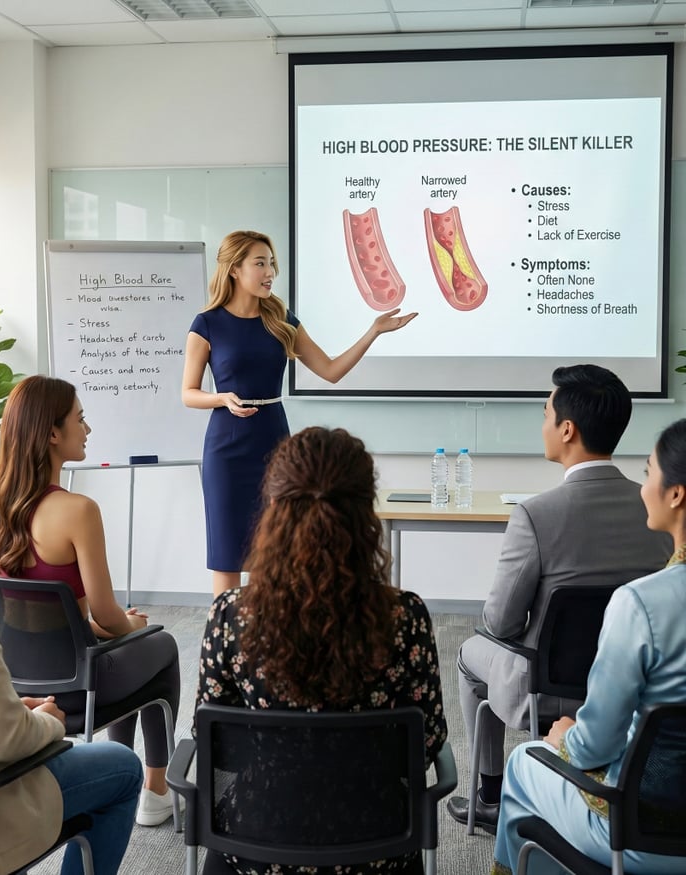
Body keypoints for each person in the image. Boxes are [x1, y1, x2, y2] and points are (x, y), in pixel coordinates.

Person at [195, 426, 447, 875]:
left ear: (273, 507)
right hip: (379, 845)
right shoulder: (404, 618)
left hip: (255, 842)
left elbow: (215, 743)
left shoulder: (231, 617)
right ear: (366, 514)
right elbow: (426, 744)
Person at [0, 389, 142, 874]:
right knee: (124, 767)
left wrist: (9, 704)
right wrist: (47, 722)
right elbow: (3, 742)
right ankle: (159, 788)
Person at [447, 364, 672, 834]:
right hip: (636, 695)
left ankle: (490, 795)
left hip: (546, 693)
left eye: (545, 412)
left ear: (567, 429)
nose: (543, 422)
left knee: (470, 652)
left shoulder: (535, 514)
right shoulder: (657, 510)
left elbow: (502, 623)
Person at [0, 375, 180, 828]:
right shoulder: (78, 510)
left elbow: (40, 616)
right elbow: (105, 616)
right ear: (52, 433)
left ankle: (119, 773)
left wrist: (118, 628)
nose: (87, 429)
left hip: (22, 687)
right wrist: (136, 626)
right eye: (80, 420)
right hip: (80, 688)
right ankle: (154, 790)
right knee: (160, 647)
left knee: (128, 644)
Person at [492, 418, 686, 875]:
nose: (643, 488)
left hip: (643, 833)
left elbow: (594, 746)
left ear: (676, 493)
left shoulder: (642, 604)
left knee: (525, 760)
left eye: (648, 472)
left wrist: (563, 742)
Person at [182, 230, 418, 596]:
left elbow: (331, 370)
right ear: (234, 269)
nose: (269, 271)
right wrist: (221, 398)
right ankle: (225, 640)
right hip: (226, 448)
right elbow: (188, 393)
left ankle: (268, 633)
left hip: (275, 443)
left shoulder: (281, 318)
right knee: (227, 554)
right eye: (260, 263)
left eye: (271, 263)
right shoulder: (207, 323)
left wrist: (374, 331)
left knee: (272, 551)